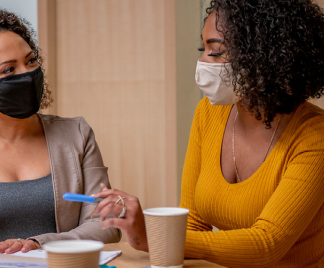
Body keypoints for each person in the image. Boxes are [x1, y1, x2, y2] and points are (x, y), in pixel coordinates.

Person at [93, 0, 324, 267]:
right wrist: (155, 237)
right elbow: (194, 224)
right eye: (202, 49)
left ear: (265, 57)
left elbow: (267, 244)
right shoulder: (208, 113)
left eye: (214, 52)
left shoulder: (314, 135)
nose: (201, 62)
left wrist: (157, 236)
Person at [0, 10, 120, 261]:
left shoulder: (77, 134)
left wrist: (38, 244)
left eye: (30, 61)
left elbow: (106, 223)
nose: (26, 74)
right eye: (8, 70)